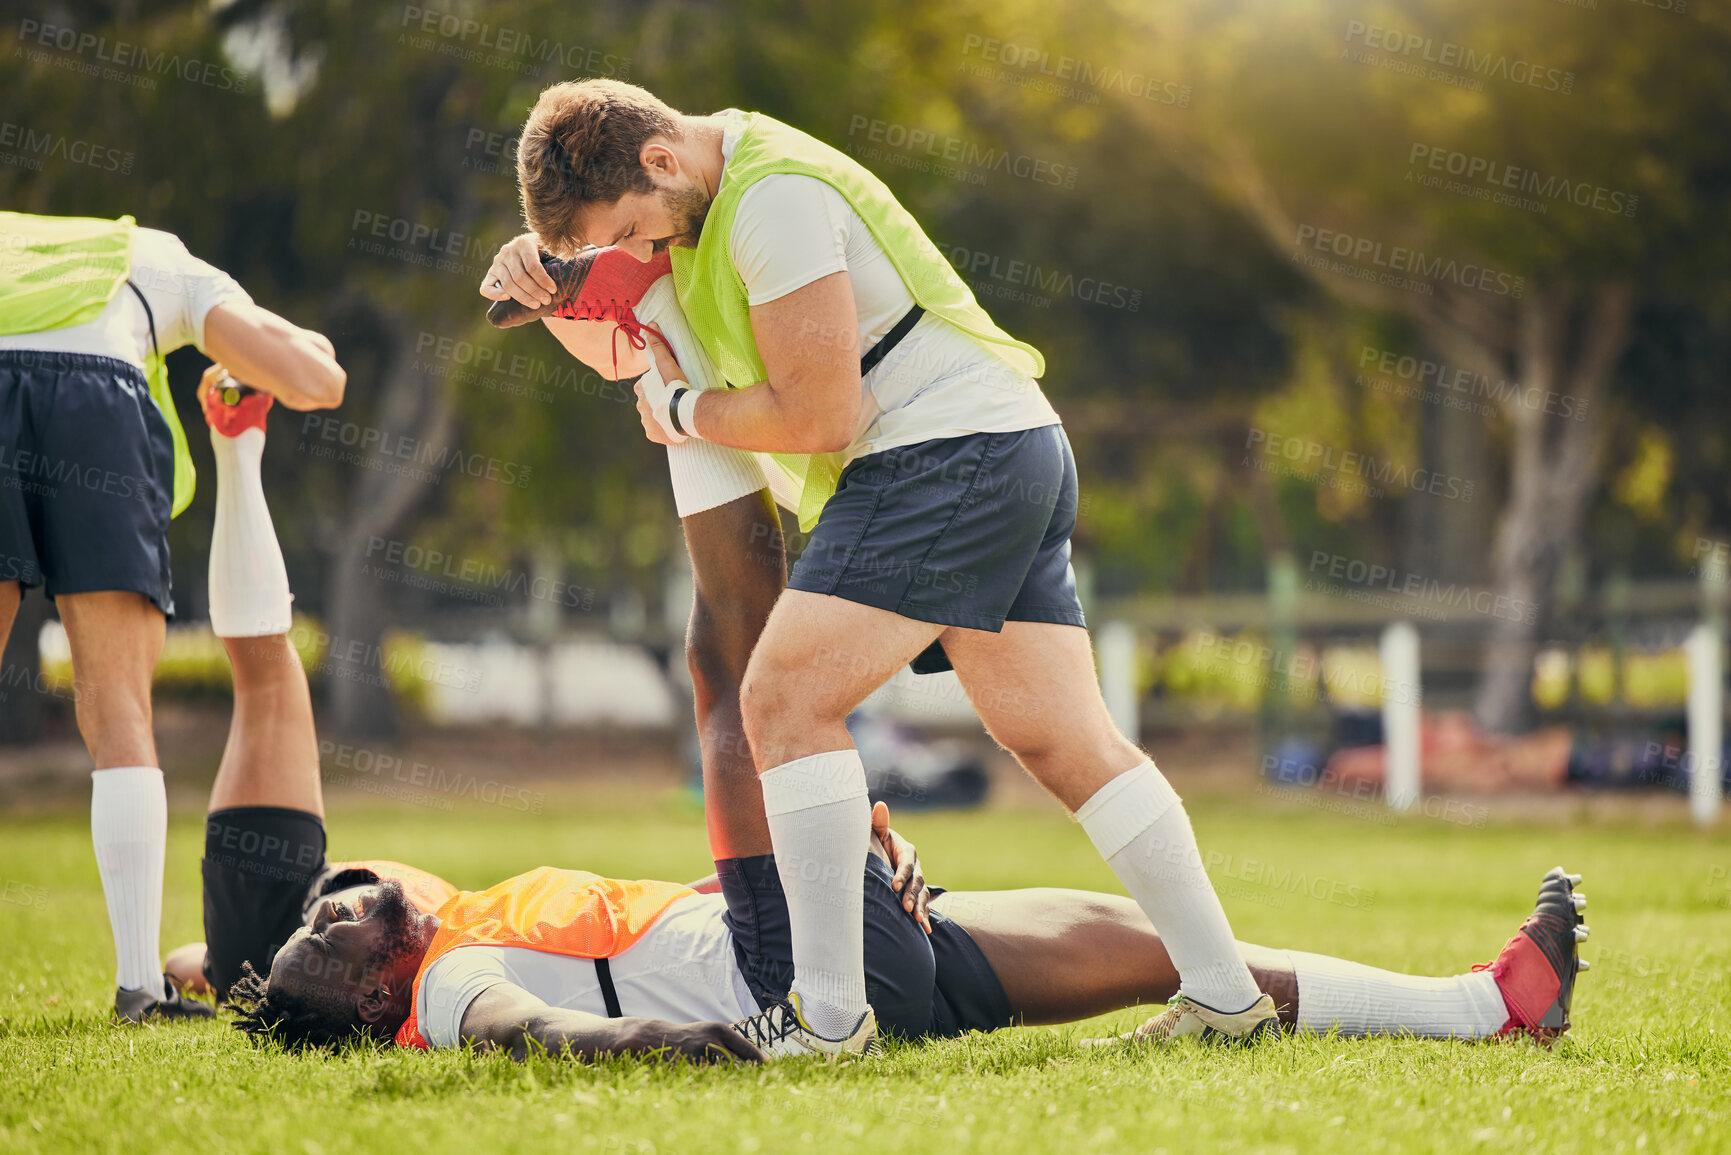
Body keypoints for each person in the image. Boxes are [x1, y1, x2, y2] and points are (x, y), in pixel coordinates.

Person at [202, 364, 1589, 1058]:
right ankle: (669, 376)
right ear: (381, 987)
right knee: (729, 680)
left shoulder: (451, 911)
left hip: (840, 945)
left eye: (323, 904)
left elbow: (631, 933)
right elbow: (539, 1028)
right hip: (783, 980)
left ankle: (1486, 1004)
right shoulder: (445, 984)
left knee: (1151, 943)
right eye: (337, 926)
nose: (336, 896)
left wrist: (197, 978)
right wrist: (710, 1044)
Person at [482, 78, 1281, 1056]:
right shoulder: (695, 205)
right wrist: (544, 273)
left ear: (660, 160)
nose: (642, 251)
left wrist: (686, 415)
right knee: (1065, 740)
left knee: (778, 698)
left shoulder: (771, 198)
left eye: (637, 230)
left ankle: (826, 1017)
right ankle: (1226, 997)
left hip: (947, 454)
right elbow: (621, 347)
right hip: (1006, 441)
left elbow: (824, 418)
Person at [0, 211, 346, 1022]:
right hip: (94, 392)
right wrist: (258, 351)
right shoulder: (158, 257)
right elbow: (316, 381)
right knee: (117, 706)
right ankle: (135, 987)